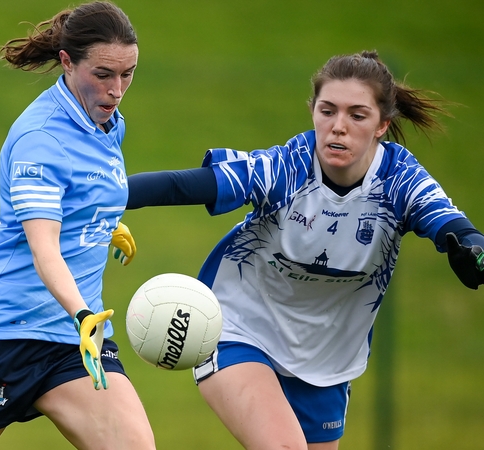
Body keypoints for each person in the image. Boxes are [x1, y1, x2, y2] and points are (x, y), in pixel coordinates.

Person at [123, 50, 484, 449]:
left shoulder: (400, 181)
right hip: (239, 328)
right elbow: (186, 185)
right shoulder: (287, 169)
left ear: (383, 124)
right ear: (312, 110)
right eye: (327, 111)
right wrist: (108, 195)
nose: (338, 128)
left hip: (327, 363)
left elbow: (450, 223)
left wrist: (470, 247)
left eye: (356, 115)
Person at [0, 2, 154, 449]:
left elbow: (84, 190)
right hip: (2, 336)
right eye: (103, 74)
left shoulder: (105, 121)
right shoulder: (40, 139)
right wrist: (82, 313)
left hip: (72, 343)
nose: (117, 89)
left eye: (128, 74)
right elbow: (45, 250)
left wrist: (103, 224)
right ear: (67, 62)